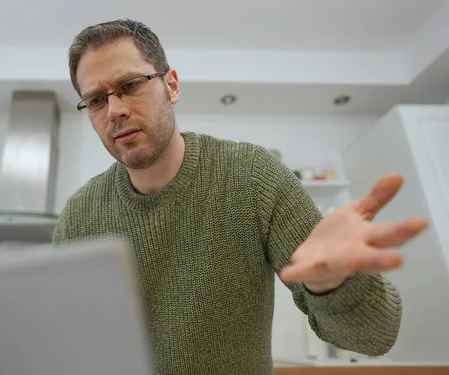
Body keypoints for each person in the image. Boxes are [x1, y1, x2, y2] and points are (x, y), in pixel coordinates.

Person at [52, 19, 429, 375]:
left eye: (130, 85)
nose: (115, 110)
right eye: (97, 100)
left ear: (172, 86)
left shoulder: (251, 176)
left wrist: (335, 284)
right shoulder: (79, 216)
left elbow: (374, 337)